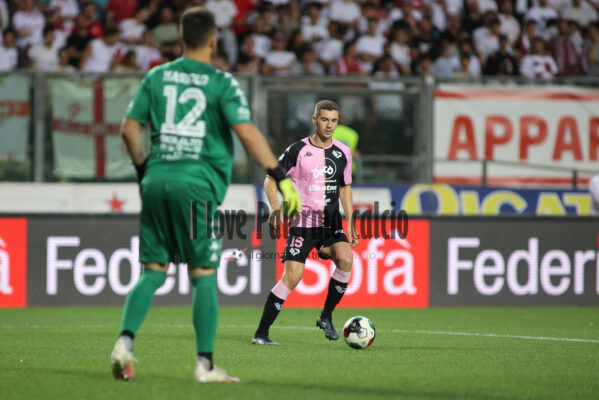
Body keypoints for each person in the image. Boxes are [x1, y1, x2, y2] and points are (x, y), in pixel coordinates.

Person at [110, 7, 301, 383]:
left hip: (156, 180)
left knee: (153, 270)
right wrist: (281, 178)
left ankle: (124, 343)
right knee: (203, 274)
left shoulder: (157, 76)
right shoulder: (221, 82)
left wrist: (144, 170)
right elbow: (247, 134)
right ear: (213, 41)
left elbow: (129, 129)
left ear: (181, 38)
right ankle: (205, 365)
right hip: (196, 186)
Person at [252, 100, 358, 346]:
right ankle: (261, 334)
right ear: (314, 120)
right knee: (293, 277)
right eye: (324, 119)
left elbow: (345, 187)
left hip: (331, 223)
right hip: (303, 222)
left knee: (346, 259)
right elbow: (270, 179)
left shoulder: (343, 152)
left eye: (334, 120)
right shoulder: (298, 150)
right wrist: (275, 209)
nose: (329, 125)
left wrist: (351, 220)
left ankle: (326, 316)